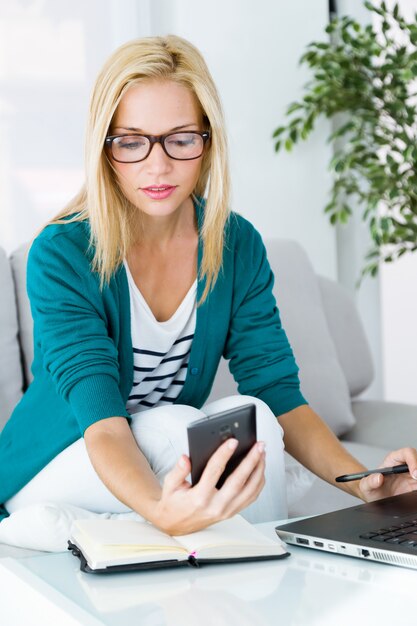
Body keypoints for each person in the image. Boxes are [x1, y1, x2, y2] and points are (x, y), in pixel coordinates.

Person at [0, 35, 416, 543]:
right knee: (178, 427)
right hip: (62, 457)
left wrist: (367, 484)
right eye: (132, 141)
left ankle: (263, 585)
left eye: (180, 139)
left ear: (208, 140)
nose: (158, 165)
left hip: (157, 452)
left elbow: (279, 392)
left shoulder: (235, 245)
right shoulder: (62, 253)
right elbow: (105, 424)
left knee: (257, 421)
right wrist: (161, 508)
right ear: (104, 149)